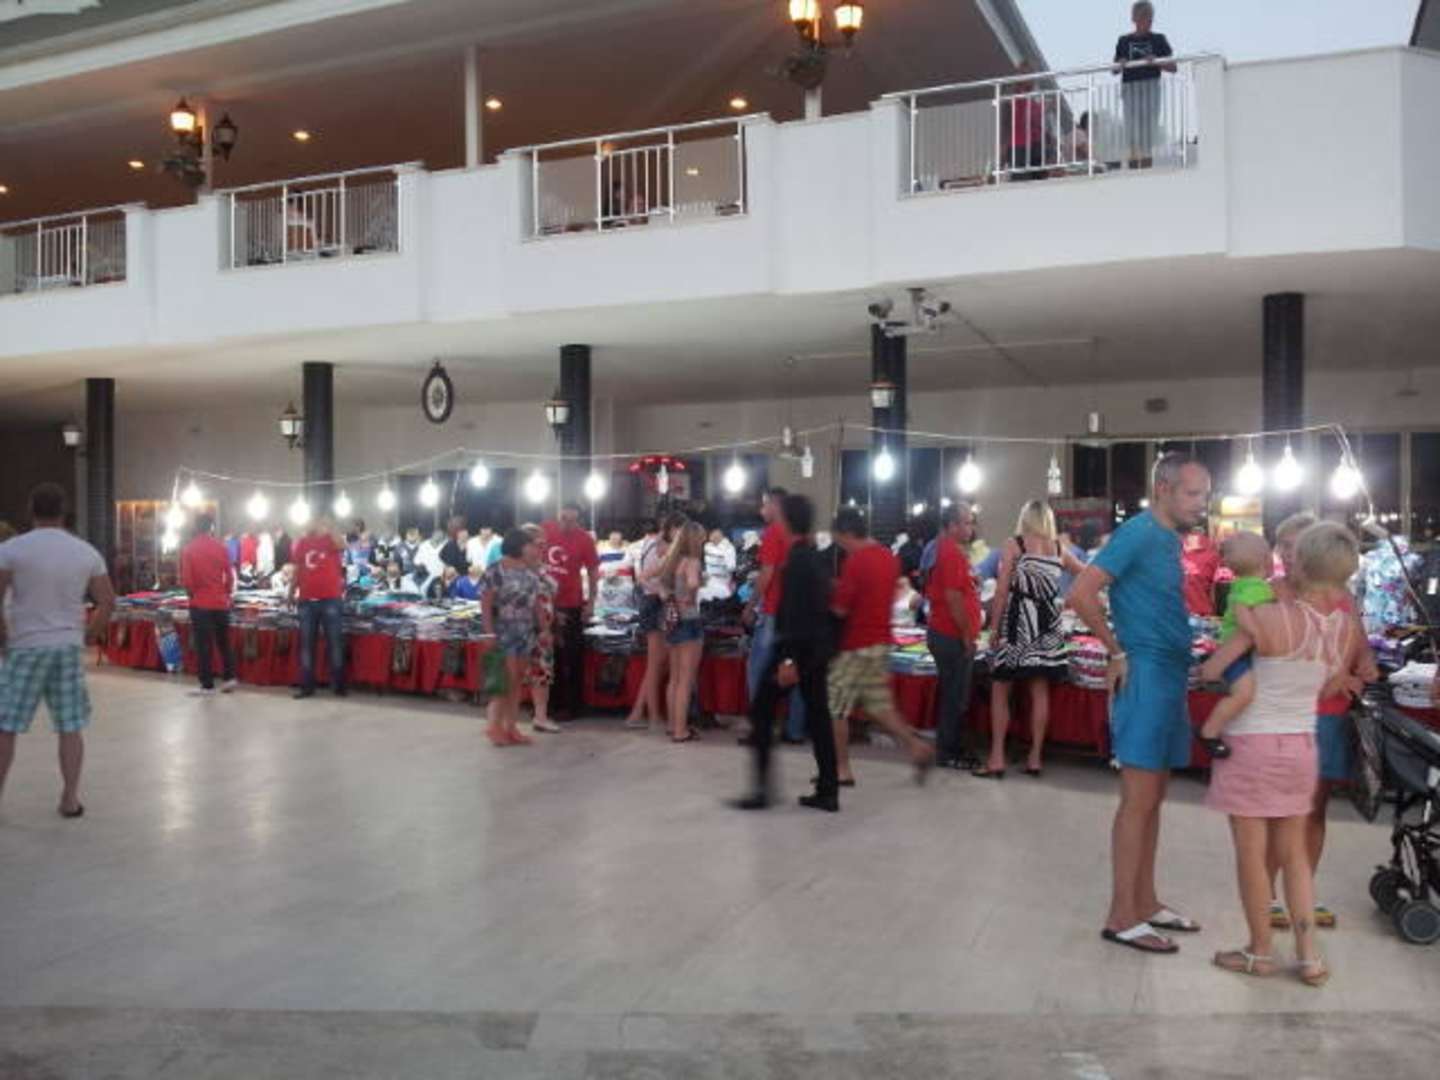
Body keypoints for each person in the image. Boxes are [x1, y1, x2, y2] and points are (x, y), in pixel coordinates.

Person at [1198, 522, 1363, 988]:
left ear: (1300, 564)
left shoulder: (1269, 618)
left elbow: (1213, 669)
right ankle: (1309, 957)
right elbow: (1328, 688)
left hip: (1252, 744)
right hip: (1301, 746)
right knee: (1295, 855)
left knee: (1252, 855)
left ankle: (1260, 951)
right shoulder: (1346, 629)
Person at [1070, 453, 1210, 954]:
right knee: (1138, 800)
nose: (1201, 503)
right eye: (1193, 493)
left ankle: (1145, 901)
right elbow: (1082, 593)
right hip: (1146, 674)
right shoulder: (1138, 533)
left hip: (1169, 675)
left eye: (1205, 494)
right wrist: (1116, 650)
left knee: (1154, 799)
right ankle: (1121, 915)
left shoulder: (1168, 539)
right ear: (1164, 488)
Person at [1263, 512, 1378, 932]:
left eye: (1299, 547)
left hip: (1330, 718)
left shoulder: (1341, 597)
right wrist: (1333, 677)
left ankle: (1303, 893)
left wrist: (1363, 668)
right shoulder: (1270, 594)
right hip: (1286, 718)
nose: (1291, 555)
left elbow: (1361, 647)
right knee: (1280, 812)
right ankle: (1267, 895)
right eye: (1285, 546)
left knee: (1314, 810)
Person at [0, 483, 115, 819]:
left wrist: (3, 636)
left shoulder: (12, 549)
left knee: (6, 727)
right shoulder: (86, 552)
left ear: (31, 510)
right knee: (70, 726)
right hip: (67, 648)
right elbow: (107, 601)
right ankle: (69, 799)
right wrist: (89, 635)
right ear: (64, 512)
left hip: (25, 647)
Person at [733, 494, 839, 813]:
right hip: (816, 651)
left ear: (787, 521)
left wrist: (789, 660)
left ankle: (761, 791)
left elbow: (795, 614)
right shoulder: (815, 556)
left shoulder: (796, 562)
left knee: (762, 712)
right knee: (819, 719)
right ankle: (828, 790)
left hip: (797, 650)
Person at [979, 500, 1087, 779]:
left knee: (1001, 688)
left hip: (1018, 622)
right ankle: (1035, 757)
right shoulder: (1060, 549)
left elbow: (1001, 591)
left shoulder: (1015, 545)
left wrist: (994, 628)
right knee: (1039, 691)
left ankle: (997, 758)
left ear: (1025, 518)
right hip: (1048, 624)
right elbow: (1088, 575)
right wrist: (1068, 600)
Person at [828, 507, 934, 786]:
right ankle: (917, 747)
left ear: (848, 532)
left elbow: (841, 609)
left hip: (856, 645)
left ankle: (842, 769)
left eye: (840, 540)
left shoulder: (856, 561)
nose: (841, 546)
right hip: (882, 642)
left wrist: (831, 593)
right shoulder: (888, 558)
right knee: (880, 707)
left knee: (836, 707)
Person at [1195, 532, 1276, 759]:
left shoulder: (1242, 584)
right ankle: (1209, 731)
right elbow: (1242, 610)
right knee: (1244, 693)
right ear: (1266, 559)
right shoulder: (1259, 587)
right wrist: (1257, 633)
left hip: (1230, 648)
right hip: (1236, 653)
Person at [746, 488, 807, 745]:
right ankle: (794, 730)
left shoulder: (773, 532)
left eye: (764, 504)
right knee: (795, 672)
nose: (761, 510)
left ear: (774, 504)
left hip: (774, 612)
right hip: (798, 613)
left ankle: (760, 729)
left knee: (757, 670)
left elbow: (767, 573)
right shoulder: (800, 533)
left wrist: (750, 606)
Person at [925, 502, 982, 770]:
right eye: (967, 522)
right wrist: (967, 635)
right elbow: (953, 598)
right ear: (952, 525)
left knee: (954, 694)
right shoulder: (950, 553)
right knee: (955, 697)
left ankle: (950, 748)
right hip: (950, 634)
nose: (971, 527)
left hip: (947, 632)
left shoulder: (948, 550)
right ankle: (949, 752)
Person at [481, 528, 543, 747]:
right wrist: (489, 632)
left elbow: (536, 602)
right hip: (502, 631)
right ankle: (494, 726)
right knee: (503, 681)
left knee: (517, 680)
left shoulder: (530, 572)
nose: (535, 549)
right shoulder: (495, 570)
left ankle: (511, 727)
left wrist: (544, 629)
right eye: (531, 545)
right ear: (519, 546)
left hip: (525, 631)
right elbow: (486, 604)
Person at [541, 502, 600, 721]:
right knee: (548, 655)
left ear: (579, 520)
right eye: (563, 519)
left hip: (571, 603)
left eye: (572, 520)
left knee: (572, 656)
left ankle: (573, 706)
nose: (567, 524)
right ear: (558, 516)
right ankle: (549, 703)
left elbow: (593, 571)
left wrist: (591, 602)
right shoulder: (545, 529)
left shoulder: (584, 539)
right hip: (544, 602)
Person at [625, 514, 683, 732]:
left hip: (653, 601)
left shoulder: (652, 543)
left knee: (658, 662)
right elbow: (648, 576)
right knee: (656, 663)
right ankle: (652, 716)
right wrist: (661, 591)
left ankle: (639, 712)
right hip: (655, 602)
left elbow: (645, 576)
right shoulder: (662, 545)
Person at [288, 515, 348, 700]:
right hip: (307, 599)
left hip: (330, 598)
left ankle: (338, 685)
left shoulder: (331, 540)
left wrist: (330, 527)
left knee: (334, 643)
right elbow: (297, 569)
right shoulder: (301, 542)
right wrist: (291, 592)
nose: (313, 525)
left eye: (317, 522)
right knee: (307, 645)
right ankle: (307, 686)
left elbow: (343, 545)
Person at [180, 513, 237, 697]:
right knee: (223, 641)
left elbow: (188, 580)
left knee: (203, 645)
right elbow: (229, 575)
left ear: (196, 527)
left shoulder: (189, 549)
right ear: (211, 527)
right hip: (220, 602)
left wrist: (192, 594)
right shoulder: (221, 547)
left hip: (200, 602)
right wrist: (226, 593)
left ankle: (207, 685)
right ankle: (229, 678)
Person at [659, 521, 706, 743]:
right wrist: (692, 594)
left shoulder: (672, 560)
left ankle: (672, 725)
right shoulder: (693, 561)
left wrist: (674, 598)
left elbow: (661, 589)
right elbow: (693, 583)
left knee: (675, 678)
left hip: (672, 621)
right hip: (689, 620)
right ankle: (681, 731)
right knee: (686, 680)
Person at [1114, 1, 1176, 169]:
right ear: (1134, 18)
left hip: (1150, 94)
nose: (1147, 20)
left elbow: (1173, 67)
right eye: (1142, 16)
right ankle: (1134, 173)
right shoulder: (1124, 41)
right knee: (1132, 136)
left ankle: (1146, 173)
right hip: (1130, 93)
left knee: (1147, 137)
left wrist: (1157, 61)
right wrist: (1121, 63)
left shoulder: (1159, 39)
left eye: (1149, 17)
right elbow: (1114, 70)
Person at [520, 523, 560, 735]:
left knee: (542, 674)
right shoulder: (519, 568)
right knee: (522, 673)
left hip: (543, 629)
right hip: (528, 629)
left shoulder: (540, 567)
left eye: (545, 544)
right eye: (539, 544)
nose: (543, 548)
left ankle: (540, 717)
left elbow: (549, 594)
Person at [700, 527, 737, 603]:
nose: (711, 537)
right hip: (710, 581)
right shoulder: (707, 546)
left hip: (722, 582)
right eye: (711, 534)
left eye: (714, 534)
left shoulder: (728, 548)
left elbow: (731, 567)